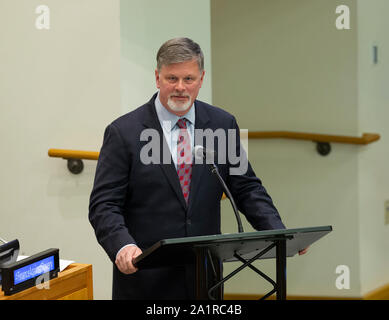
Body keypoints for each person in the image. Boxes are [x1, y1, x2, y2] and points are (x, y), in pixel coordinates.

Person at [89, 37, 292, 300]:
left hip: (204, 276)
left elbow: (246, 187)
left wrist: (277, 231)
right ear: (157, 77)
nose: (180, 88)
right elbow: (104, 204)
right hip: (146, 278)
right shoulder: (124, 132)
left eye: (189, 79)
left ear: (201, 78)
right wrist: (123, 246)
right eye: (172, 78)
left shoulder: (222, 123)